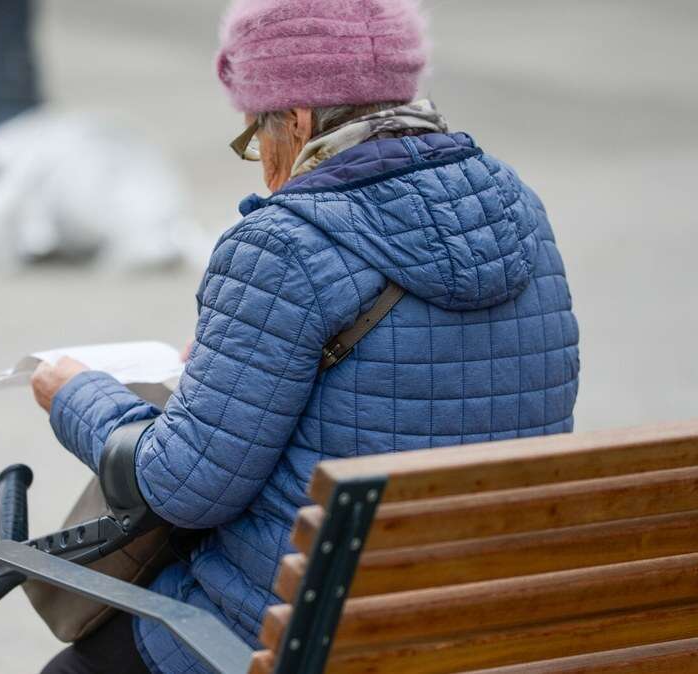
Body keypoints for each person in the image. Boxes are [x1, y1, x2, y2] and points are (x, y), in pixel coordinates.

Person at [31, 0, 580, 672]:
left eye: (257, 136)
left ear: (295, 118)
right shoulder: (518, 204)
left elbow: (186, 484)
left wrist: (76, 396)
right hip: (485, 619)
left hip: (311, 634)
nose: (263, 162)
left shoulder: (283, 244)